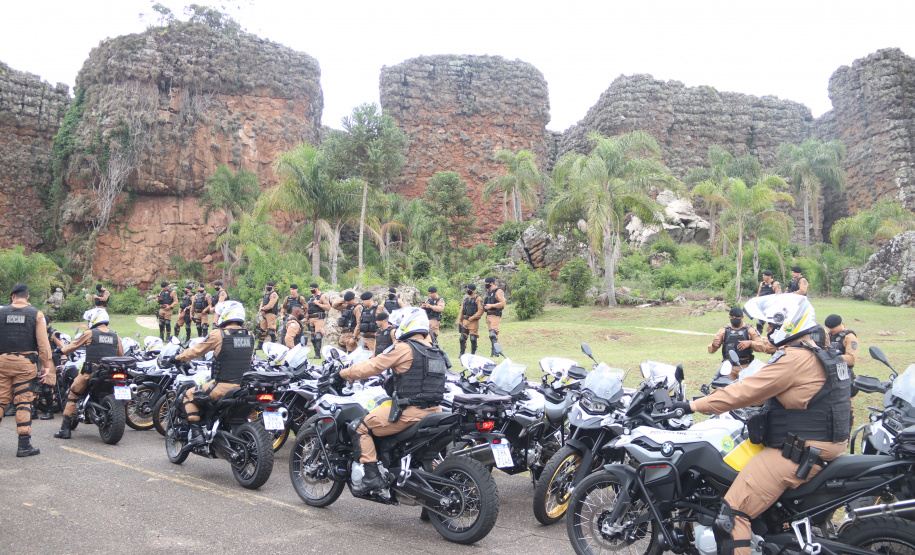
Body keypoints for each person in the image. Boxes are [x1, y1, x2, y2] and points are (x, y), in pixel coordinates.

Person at [673, 295, 850, 555]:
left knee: (732, 514)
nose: (767, 331)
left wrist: (691, 406)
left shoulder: (794, 358)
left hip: (799, 452)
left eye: (772, 326)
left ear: (788, 325)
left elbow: (743, 392)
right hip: (825, 446)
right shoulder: (823, 354)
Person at [340, 307, 447, 494]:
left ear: (407, 325)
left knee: (359, 427)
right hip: (436, 412)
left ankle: (371, 477)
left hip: (409, 413)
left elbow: (372, 366)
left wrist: (344, 373)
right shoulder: (436, 350)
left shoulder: (404, 348)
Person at [170, 301, 254, 449]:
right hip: (242, 388)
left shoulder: (218, 335)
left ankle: (197, 435)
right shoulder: (250, 335)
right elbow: (249, 358)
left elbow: (196, 351)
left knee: (188, 395)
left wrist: (177, 357)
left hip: (222, 387)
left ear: (226, 316)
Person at [0, 284, 54, 456]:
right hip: (25, 364)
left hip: (2, 361)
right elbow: (43, 343)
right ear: (27, 297)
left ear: (13, 296)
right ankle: (24, 446)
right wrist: (46, 365)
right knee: (23, 401)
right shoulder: (36, 314)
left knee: (0, 400)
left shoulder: (1, 312)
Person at [55, 307, 124, 440]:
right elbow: (120, 353)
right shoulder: (115, 335)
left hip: (92, 372)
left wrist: (61, 350)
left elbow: (73, 345)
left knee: (73, 393)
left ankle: (65, 429)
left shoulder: (90, 333)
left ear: (94, 319)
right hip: (111, 373)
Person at [708, 307, 766, 380]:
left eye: (736, 317)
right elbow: (711, 350)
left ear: (742, 317)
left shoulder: (750, 330)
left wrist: (751, 343)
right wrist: (714, 345)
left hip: (745, 366)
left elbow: (763, 347)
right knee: (727, 389)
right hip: (728, 368)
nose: (734, 319)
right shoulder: (724, 330)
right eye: (732, 317)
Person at [37, 318, 67, 421]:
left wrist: (63, 361)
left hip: (50, 360)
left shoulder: (53, 333)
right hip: (37, 359)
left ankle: (49, 412)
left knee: (47, 386)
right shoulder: (36, 332)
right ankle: (33, 411)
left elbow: (63, 348)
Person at [305, 283, 331, 359]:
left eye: (312, 288)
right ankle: (316, 353)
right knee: (312, 338)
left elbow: (328, 307)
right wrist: (306, 319)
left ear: (316, 288)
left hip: (319, 318)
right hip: (311, 319)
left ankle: (318, 355)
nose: (311, 290)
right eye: (310, 288)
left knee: (318, 336)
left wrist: (318, 304)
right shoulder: (310, 298)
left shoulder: (322, 296)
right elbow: (308, 309)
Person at [482, 277, 506, 357]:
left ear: (491, 283)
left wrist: (491, 305)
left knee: (493, 334)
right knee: (492, 336)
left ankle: (495, 353)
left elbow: (503, 303)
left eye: (486, 283)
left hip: (495, 315)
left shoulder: (498, 291)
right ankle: (495, 352)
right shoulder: (489, 292)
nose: (485, 284)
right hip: (488, 316)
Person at [459, 284, 484, 356]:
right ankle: (462, 354)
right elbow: (462, 310)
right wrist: (459, 321)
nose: (468, 290)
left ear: (473, 290)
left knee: (473, 339)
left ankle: (473, 354)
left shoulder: (478, 299)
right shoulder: (465, 299)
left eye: (470, 289)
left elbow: (480, 311)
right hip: (465, 321)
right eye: (468, 288)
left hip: (473, 322)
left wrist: (472, 317)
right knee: (462, 338)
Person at [257, 281, 280, 349]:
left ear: (272, 287)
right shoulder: (266, 294)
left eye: (269, 286)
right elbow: (262, 302)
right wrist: (261, 309)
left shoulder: (274, 294)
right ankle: (260, 345)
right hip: (265, 314)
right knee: (262, 330)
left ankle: (273, 346)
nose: (267, 287)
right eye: (267, 286)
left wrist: (263, 308)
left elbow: (271, 305)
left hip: (271, 314)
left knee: (272, 331)